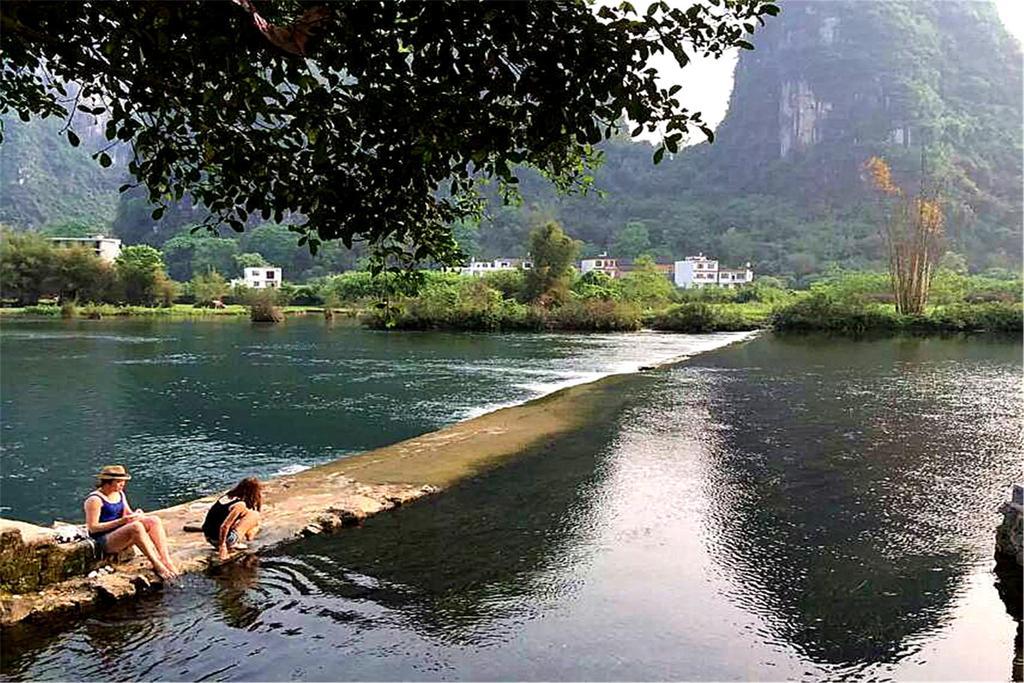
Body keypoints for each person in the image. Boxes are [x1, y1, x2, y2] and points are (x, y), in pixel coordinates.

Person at [84, 465, 179, 580]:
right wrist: (122, 521)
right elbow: (93, 528)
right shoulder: (94, 500)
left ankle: (165, 559)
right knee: (136, 527)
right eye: (118, 482)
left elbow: (127, 513)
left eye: (123, 482)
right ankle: (156, 563)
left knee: (153, 520)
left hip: (119, 532)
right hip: (104, 540)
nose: (122, 485)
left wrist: (137, 514)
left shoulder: (119, 494)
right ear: (107, 482)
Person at [202, 477, 263, 561]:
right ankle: (238, 541)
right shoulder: (239, 505)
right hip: (221, 540)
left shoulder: (227, 497)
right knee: (255, 515)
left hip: (209, 537)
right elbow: (224, 526)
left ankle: (236, 539)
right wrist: (222, 546)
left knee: (247, 514)